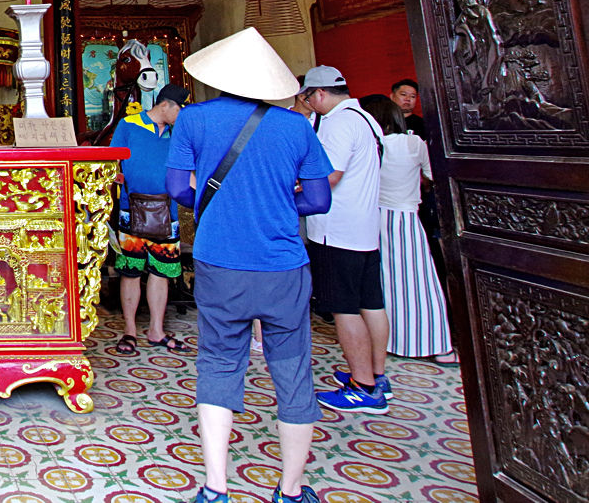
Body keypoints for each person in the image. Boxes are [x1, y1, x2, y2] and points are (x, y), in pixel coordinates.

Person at [165, 28, 333, 503]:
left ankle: (216, 487)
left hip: (220, 261)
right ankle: (292, 490)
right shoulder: (296, 125)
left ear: (217, 78)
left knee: (218, 361)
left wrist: (218, 202)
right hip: (283, 264)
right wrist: (277, 204)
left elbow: (178, 189)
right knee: (293, 368)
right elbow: (318, 199)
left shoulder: (193, 120)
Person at [300, 66, 390, 414]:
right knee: (371, 303)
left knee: (345, 309)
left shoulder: (338, 123)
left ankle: (362, 386)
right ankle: (377, 374)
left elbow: (329, 176)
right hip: (364, 228)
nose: (308, 104)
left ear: (318, 94)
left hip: (337, 231)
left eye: (308, 98)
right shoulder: (367, 118)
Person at [359, 94, 457, 364]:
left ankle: (392, 340)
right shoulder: (414, 142)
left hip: (374, 219)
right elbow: (433, 176)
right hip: (408, 219)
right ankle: (438, 344)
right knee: (421, 281)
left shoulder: (370, 145)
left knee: (384, 283)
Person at [110, 82, 191, 356]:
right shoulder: (129, 124)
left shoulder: (178, 133)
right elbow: (112, 161)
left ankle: (156, 330)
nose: (182, 115)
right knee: (130, 271)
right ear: (166, 104)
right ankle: (130, 330)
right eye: (180, 109)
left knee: (161, 272)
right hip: (130, 208)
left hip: (167, 212)